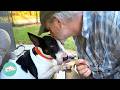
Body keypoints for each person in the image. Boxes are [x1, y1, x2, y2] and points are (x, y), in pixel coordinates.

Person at [39, 11, 120, 79]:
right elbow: (95, 68)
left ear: (58, 22)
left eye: (50, 29)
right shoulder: (76, 32)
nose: (51, 35)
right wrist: (87, 72)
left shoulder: (113, 22)